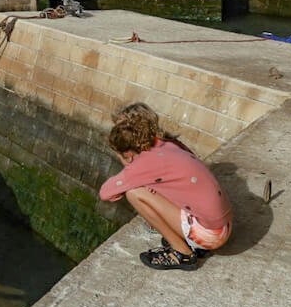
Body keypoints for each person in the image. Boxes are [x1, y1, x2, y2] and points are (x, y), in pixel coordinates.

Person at [99, 104, 233, 270]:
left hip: (210, 234)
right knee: (149, 186)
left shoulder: (146, 162)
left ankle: (182, 253)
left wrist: (125, 162)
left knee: (134, 192)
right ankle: (188, 240)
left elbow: (106, 193)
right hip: (222, 224)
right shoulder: (168, 144)